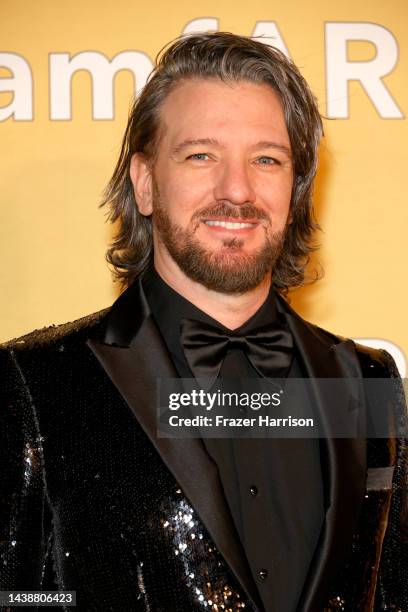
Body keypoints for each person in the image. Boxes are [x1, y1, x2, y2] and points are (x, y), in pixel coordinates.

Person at [0, 32, 406, 612]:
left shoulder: (368, 382)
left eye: (267, 158)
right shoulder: (35, 383)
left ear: (295, 189)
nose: (236, 190)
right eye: (201, 155)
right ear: (144, 184)